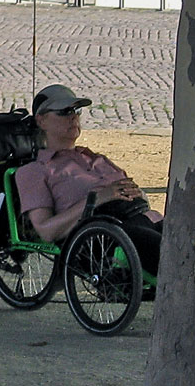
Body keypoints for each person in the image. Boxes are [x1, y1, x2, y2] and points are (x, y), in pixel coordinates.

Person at [14, 84, 162, 275]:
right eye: (64, 111)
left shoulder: (96, 158)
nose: (73, 117)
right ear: (41, 120)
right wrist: (98, 198)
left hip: (144, 220)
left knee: (192, 239)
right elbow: (46, 230)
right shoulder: (35, 170)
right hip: (104, 236)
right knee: (176, 253)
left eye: (77, 111)